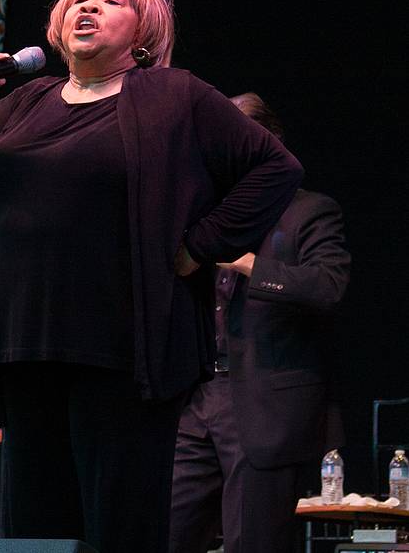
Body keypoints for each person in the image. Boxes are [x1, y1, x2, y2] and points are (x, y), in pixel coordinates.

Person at [0, 0, 303, 553]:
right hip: (23, 346)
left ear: (143, 33)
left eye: (109, 1)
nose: (89, 8)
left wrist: (199, 247)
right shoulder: (25, 102)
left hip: (121, 351)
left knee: (117, 531)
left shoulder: (174, 96)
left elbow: (275, 168)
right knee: (36, 534)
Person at [170, 92, 351, 553]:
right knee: (164, 531)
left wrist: (250, 263)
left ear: (266, 142)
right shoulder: (206, 214)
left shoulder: (309, 210)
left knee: (252, 542)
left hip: (260, 403)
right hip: (196, 397)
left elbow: (328, 287)